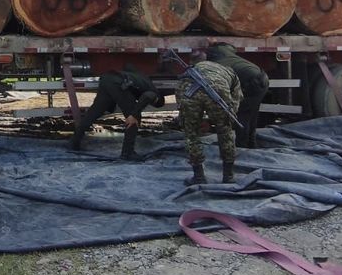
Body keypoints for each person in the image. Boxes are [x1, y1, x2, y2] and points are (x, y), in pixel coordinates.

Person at [177, 50, 243, 186]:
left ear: (191, 62)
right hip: (220, 91)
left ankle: (199, 177)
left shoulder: (188, 72)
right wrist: (230, 115)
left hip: (190, 93)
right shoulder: (224, 69)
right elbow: (237, 95)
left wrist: (185, 117)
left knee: (192, 135)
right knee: (225, 132)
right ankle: (228, 176)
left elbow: (179, 95)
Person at [69, 66, 164, 160]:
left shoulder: (142, 79)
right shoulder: (154, 94)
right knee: (134, 118)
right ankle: (128, 153)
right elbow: (147, 96)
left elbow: (129, 67)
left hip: (107, 78)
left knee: (94, 112)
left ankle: (74, 142)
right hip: (118, 83)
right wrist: (134, 114)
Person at [206, 43, 269, 148]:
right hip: (263, 79)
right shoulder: (227, 54)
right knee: (252, 114)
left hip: (251, 82)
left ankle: (242, 145)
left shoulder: (215, 65)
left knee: (242, 115)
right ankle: (251, 143)